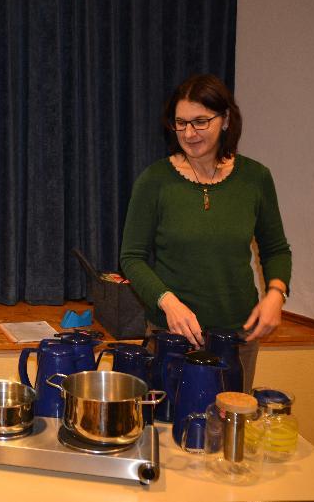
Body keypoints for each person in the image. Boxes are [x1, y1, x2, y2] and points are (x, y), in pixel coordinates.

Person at [119, 74, 291, 392]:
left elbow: (276, 248)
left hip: (238, 336)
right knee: (170, 431)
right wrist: (168, 302)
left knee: (226, 432)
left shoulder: (255, 178)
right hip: (172, 336)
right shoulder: (155, 180)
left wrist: (276, 294)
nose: (189, 132)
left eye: (200, 121)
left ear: (225, 120)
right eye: (180, 123)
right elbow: (131, 257)